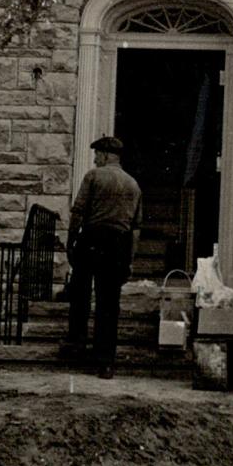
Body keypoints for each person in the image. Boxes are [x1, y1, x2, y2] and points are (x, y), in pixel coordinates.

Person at [62, 134, 142, 378]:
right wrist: (129, 259)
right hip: (118, 244)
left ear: (106, 155)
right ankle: (105, 362)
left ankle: (76, 342)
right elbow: (136, 229)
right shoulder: (133, 184)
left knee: (80, 293)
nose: (95, 159)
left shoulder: (94, 176)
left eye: (97, 154)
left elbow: (78, 212)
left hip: (93, 239)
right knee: (109, 304)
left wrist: (71, 240)